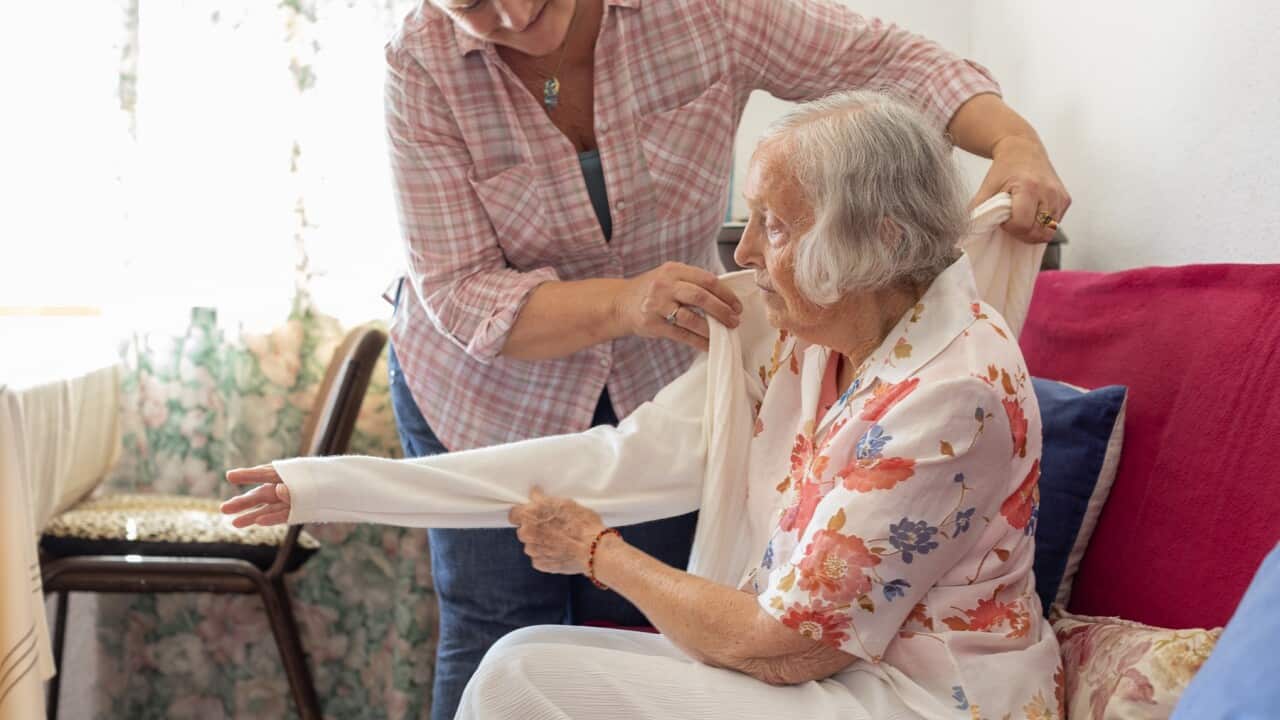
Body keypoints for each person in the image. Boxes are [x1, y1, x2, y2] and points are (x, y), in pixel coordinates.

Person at [224, 90, 1062, 719]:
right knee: (523, 656)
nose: (741, 253)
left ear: (877, 238)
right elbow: (608, 463)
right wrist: (322, 486)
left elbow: (785, 648)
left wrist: (599, 554)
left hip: (916, 699)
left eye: (773, 225)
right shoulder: (805, 337)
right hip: (833, 669)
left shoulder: (953, 394)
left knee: (522, 674)